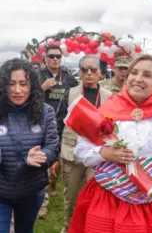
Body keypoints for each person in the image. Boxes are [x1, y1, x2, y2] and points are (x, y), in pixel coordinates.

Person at [68, 28, 152, 233]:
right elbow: (81, 149)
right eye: (134, 73)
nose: (138, 78)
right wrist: (105, 153)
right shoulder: (109, 108)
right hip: (106, 200)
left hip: (147, 203)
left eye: (147, 75)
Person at [0, 59, 59, 233]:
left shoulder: (45, 111)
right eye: (11, 84)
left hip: (31, 190)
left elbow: (52, 146)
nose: (17, 90)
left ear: (32, 85)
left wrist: (41, 157)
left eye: (23, 84)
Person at [56, 56, 111, 233]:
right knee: (70, 197)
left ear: (100, 73)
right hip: (71, 153)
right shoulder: (70, 93)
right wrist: (56, 152)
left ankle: (90, 228)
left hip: (97, 155)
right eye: (84, 69)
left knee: (95, 196)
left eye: (93, 69)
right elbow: (58, 123)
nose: (89, 73)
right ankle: (68, 227)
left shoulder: (109, 97)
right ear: (79, 72)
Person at [37, 44, 78, 218]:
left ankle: (53, 183)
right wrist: (42, 88)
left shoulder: (69, 76)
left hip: (62, 124)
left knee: (60, 160)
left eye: (58, 57)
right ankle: (43, 202)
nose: (55, 59)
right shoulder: (36, 75)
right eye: (51, 56)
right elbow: (25, 96)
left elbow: (77, 96)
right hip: (41, 123)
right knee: (43, 161)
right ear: (45, 58)